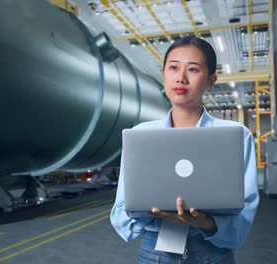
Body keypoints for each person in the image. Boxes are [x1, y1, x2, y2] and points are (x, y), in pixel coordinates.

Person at [110, 35, 259, 264]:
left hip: (212, 253)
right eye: (173, 67)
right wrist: (147, 213)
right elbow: (121, 212)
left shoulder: (236, 136)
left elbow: (244, 216)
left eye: (193, 69)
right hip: (155, 253)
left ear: (210, 80)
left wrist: (205, 223)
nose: (180, 78)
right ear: (163, 75)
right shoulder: (141, 135)